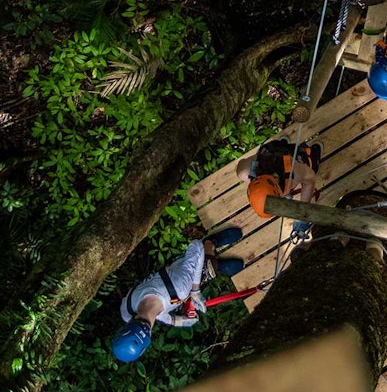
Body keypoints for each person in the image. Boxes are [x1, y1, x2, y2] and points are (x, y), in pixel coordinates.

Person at [111, 227, 244, 363]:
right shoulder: (126, 310)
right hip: (176, 273)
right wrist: (178, 321)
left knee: (214, 264)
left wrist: (195, 290)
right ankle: (211, 266)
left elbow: (196, 246)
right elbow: (154, 314)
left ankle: (210, 244)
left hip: (184, 277)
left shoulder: (180, 289)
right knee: (237, 265)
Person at [236, 138, 323, 238]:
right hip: (271, 151)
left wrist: (302, 214)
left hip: (291, 158)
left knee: (310, 164)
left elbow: (310, 179)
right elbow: (243, 162)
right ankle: (281, 144)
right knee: (276, 149)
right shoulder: (244, 172)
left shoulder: (294, 174)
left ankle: (311, 153)